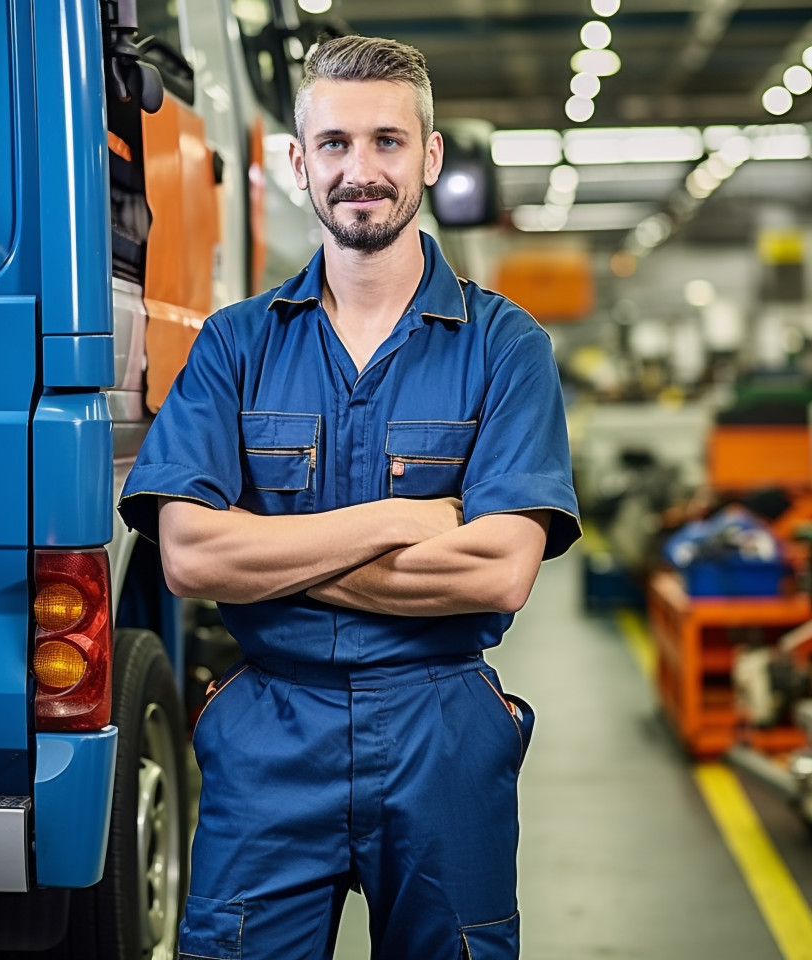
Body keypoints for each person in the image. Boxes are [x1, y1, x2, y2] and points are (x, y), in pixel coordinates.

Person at [118, 33, 580, 960]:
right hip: (271, 736)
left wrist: (271, 553)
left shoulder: (506, 346)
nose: (359, 171)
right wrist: (399, 522)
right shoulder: (235, 344)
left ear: (430, 156)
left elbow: (498, 572)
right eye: (333, 144)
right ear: (299, 162)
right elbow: (191, 558)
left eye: (387, 142)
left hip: (442, 732)